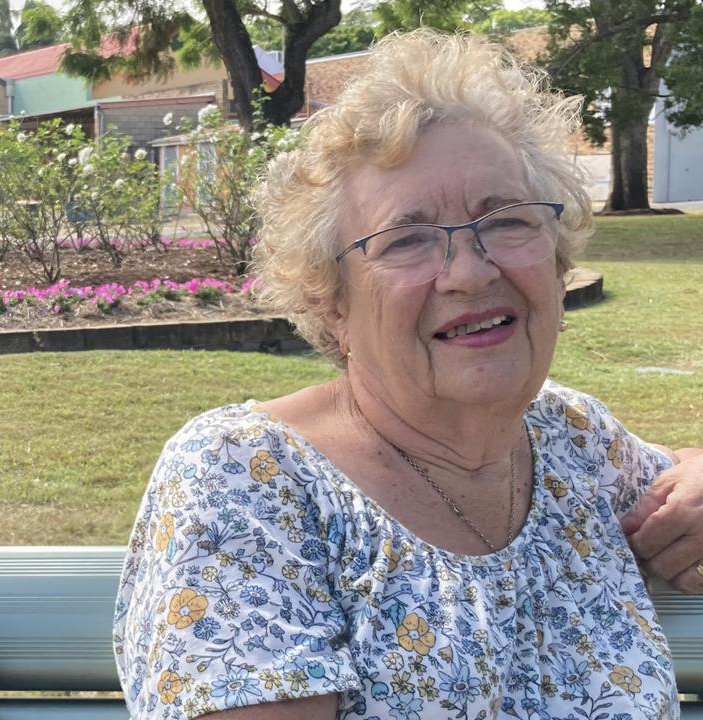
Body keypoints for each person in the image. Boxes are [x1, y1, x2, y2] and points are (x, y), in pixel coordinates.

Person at [114, 30, 702, 720]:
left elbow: (681, 486)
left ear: (558, 261)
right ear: (332, 301)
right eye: (408, 239)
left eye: (505, 221)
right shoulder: (246, 478)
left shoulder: (578, 441)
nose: (471, 272)